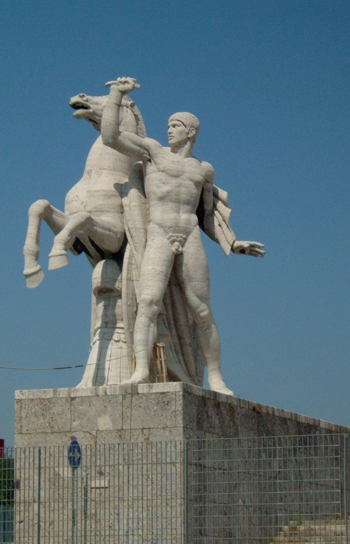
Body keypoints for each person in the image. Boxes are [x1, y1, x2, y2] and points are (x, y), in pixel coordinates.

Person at [102, 77, 264, 395]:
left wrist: (232, 242)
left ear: (190, 132)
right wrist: (116, 96)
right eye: (168, 126)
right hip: (159, 231)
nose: (169, 130)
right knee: (148, 302)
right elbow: (111, 137)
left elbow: (207, 216)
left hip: (189, 234)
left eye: (175, 126)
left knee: (202, 310)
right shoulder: (152, 151)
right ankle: (142, 370)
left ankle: (216, 378)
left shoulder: (203, 170)